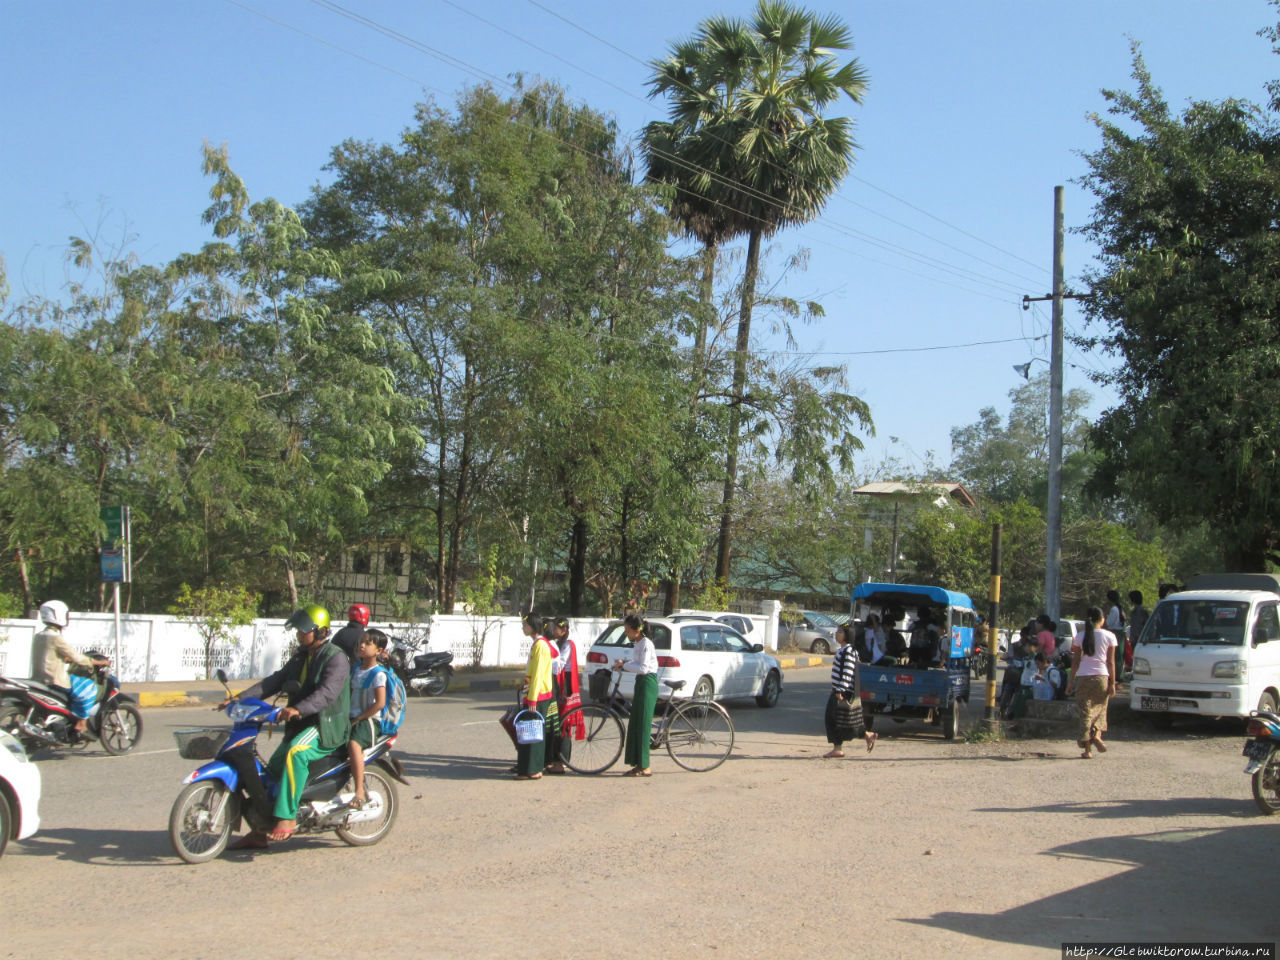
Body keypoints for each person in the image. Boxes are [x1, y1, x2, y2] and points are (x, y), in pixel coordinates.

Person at [224, 604, 351, 847]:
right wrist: (239, 698)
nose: (300, 635)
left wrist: (297, 709)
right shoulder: (300, 657)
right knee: (271, 770)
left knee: (296, 753)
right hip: (302, 724)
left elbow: (327, 694)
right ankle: (261, 829)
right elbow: (275, 681)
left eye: (305, 631)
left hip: (325, 724)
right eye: (299, 631)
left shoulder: (335, 658)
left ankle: (287, 816)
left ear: (322, 632)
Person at [30, 600, 109, 738]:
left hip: (39, 679)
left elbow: (50, 655)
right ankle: (81, 723)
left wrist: (65, 658)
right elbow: (76, 656)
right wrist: (95, 662)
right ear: (59, 615)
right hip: (56, 679)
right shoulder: (55, 637)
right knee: (89, 688)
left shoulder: (40, 635)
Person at [1066, 606, 1117, 759]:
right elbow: (1111, 662)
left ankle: (1088, 750)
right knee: (1100, 710)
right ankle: (1097, 736)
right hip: (1101, 677)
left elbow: (1074, 663)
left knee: (1085, 713)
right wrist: (1112, 683)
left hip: (1083, 678)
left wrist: (1070, 683)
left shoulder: (1080, 637)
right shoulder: (1110, 636)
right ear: (1102, 619)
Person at [822, 624, 877, 757]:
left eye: (840, 632)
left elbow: (847, 671)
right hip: (840, 690)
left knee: (834, 718)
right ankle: (866, 735)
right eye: (837, 631)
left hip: (842, 691)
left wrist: (840, 690)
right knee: (845, 719)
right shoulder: (845, 650)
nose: (837, 634)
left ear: (847, 635)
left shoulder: (848, 652)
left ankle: (838, 748)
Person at [348, 628, 388, 808]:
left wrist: (360, 718)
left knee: (353, 744)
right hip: (353, 717)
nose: (362, 646)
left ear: (378, 651)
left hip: (369, 721)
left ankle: (359, 791)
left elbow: (379, 703)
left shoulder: (378, 674)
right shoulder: (356, 668)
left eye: (368, 643)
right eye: (361, 642)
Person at [516, 613, 559, 781]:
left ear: (532, 626)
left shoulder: (541, 646)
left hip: (539, 695)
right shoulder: (538, 644)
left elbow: (539, 674)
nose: (523, 628)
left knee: (533, 734)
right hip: (535, 693)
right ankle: (531, 768)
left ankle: (533, 769)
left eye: (525, 625)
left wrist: (532, 698)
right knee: (532, 732)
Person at [613, 613, 657, 777]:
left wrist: (624, 665)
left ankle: (645, 765)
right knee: (636, 723)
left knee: (644, 725)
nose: (626, 633)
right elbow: (636, 665)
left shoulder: (646, 644)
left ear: (636, 630)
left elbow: (644, 668)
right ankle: (637, 763)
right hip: (640, 683)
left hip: (648, 683)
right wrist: (623, 664)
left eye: (627, 629)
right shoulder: (637, 644)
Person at [545, 616, 583, 775]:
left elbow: (559, 663)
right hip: (559, 682)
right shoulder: (558, 643)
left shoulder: (567, 645)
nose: (553, 631)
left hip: (566, 685)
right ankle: (553, 758)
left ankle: (562, 762)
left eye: (556, 628)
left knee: (564, 723)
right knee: (556, 722)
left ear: (564, 630)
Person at [1105, 590, 1127, 673]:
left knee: (1114, 656)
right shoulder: (1120, 608)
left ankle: (1116, 675)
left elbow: (1109, 623)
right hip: (1120, 633)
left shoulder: (1114, 609)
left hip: (1115, 633)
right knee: (1119, 655)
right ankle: (1120, 674)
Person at [1127, 590, 1149, 669]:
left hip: (1139, 639)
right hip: (1136, 639)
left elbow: (1141, 626)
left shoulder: (1140, 611)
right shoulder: (1137, 611)